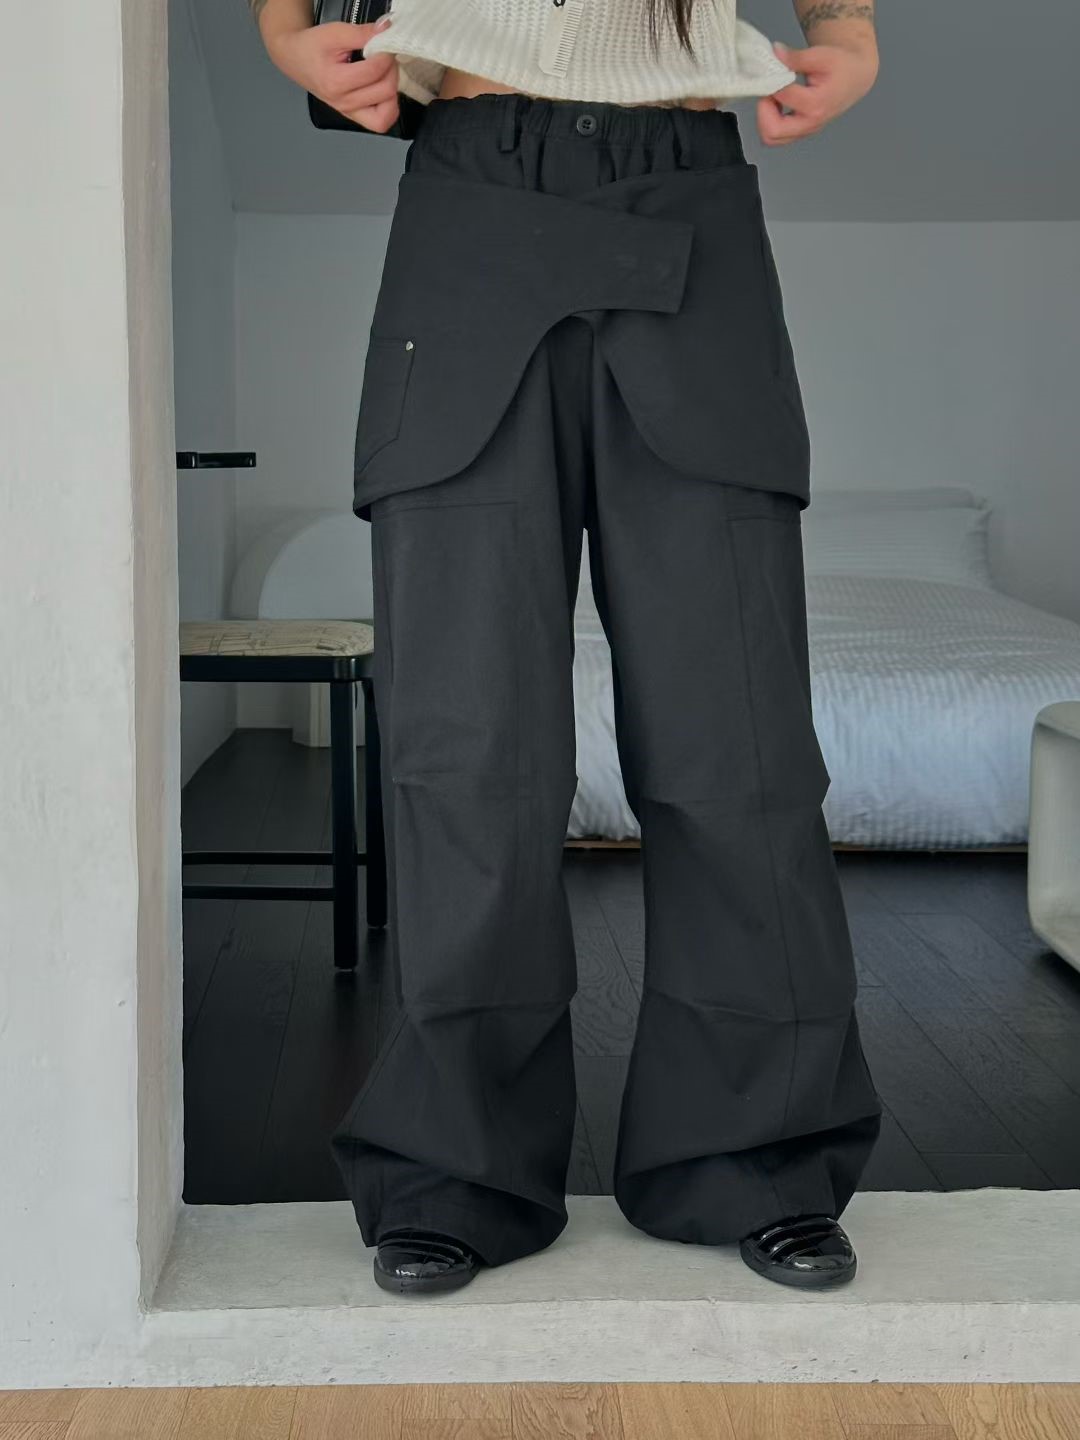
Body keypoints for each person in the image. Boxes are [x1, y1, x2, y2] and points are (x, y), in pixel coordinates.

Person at [252, 0, 883, 1297]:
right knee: (466, 749)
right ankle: (452, 1173)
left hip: (688, 185)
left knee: (739, 747)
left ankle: (760, 1158)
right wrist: (281, 26)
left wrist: (851, 26)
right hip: (469, 196)